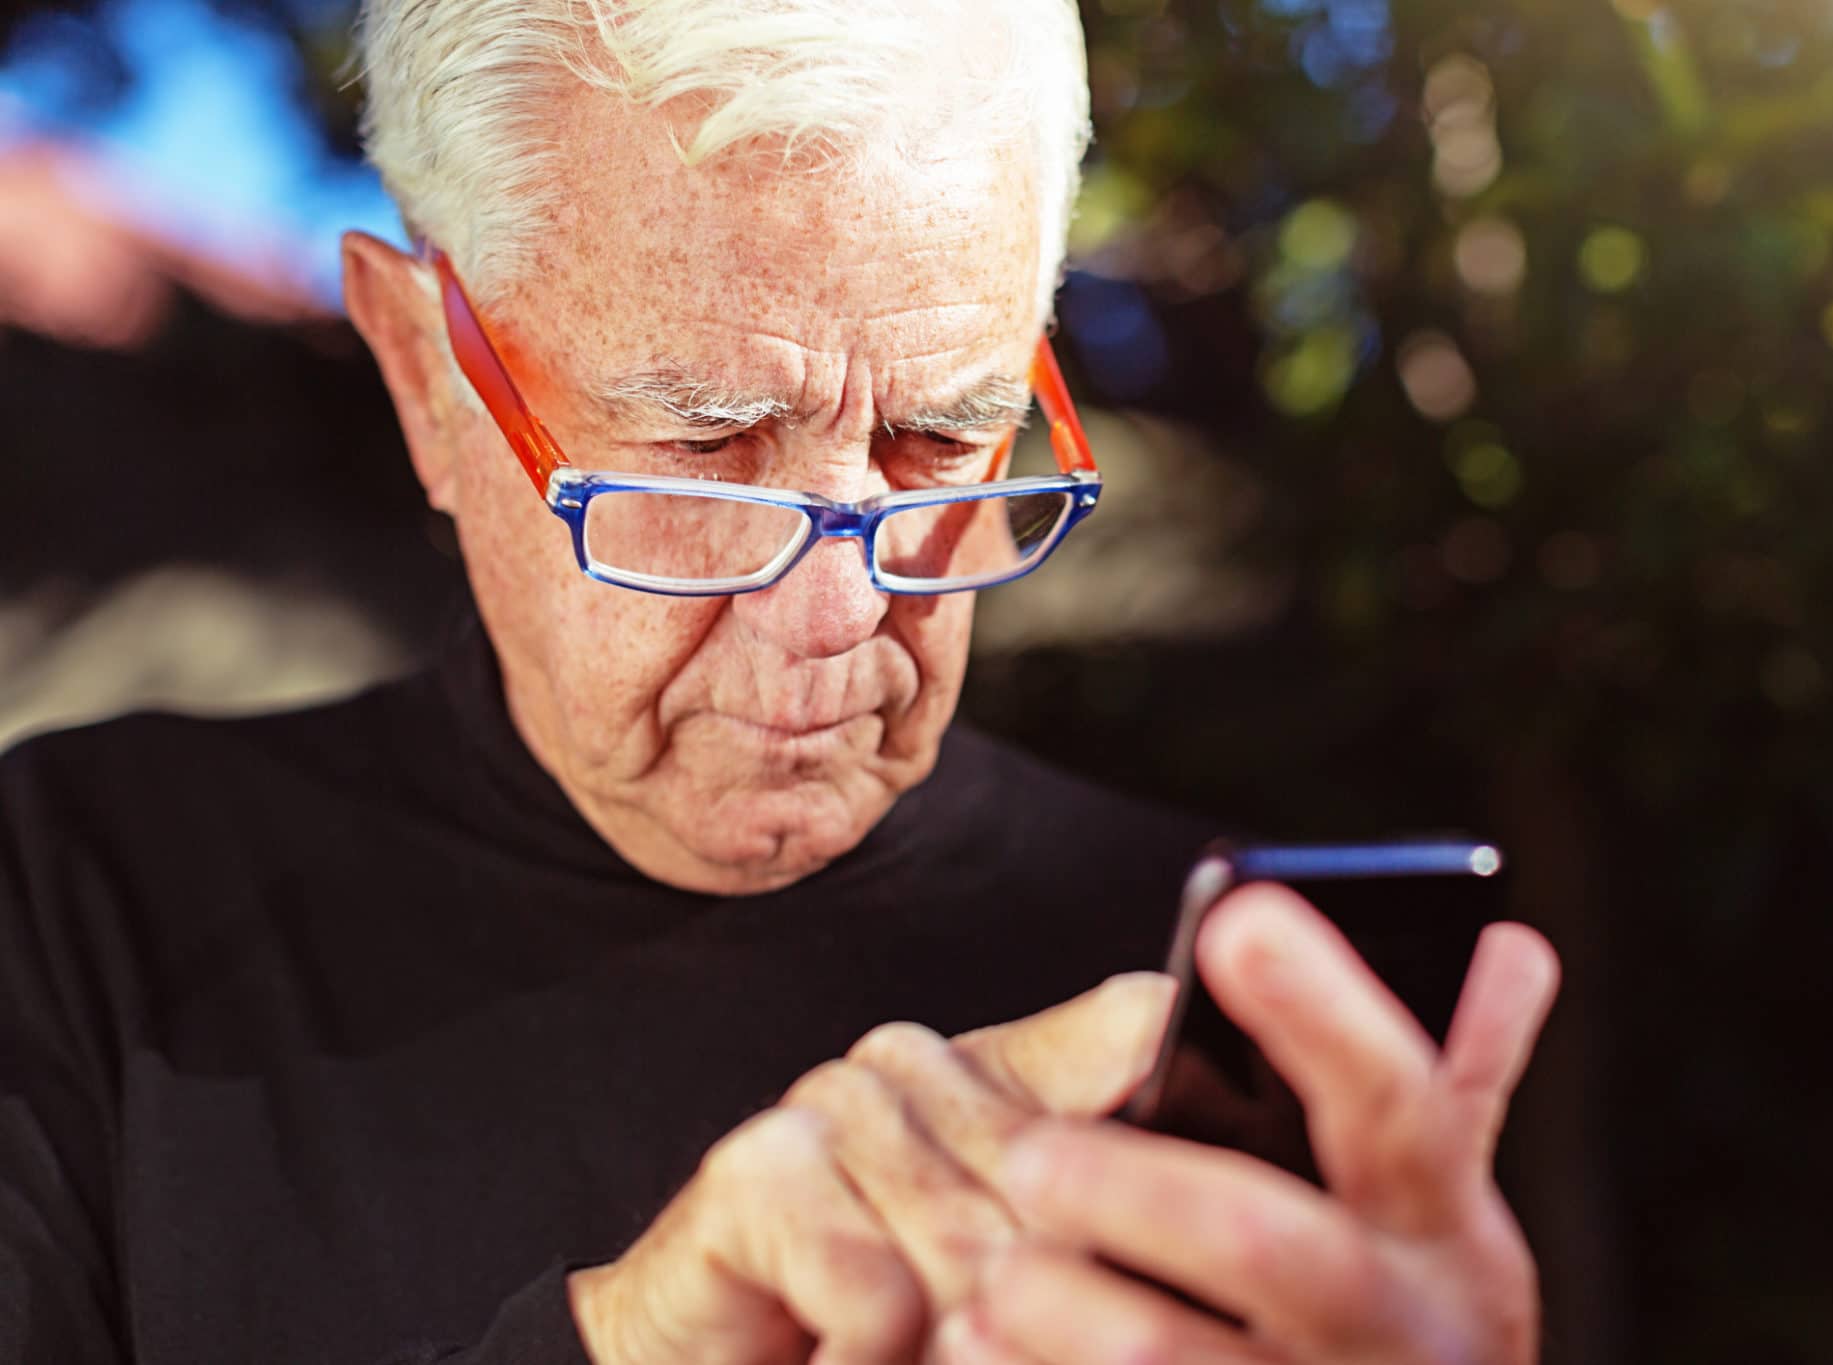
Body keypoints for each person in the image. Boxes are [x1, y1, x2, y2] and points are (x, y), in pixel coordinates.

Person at [0, 1, 1562, 1362]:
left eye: (942, 437)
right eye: (698, 452)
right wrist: (629, 1344)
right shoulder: (70, 905)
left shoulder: (1187, 982)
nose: (837, 614)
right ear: (423, 373)